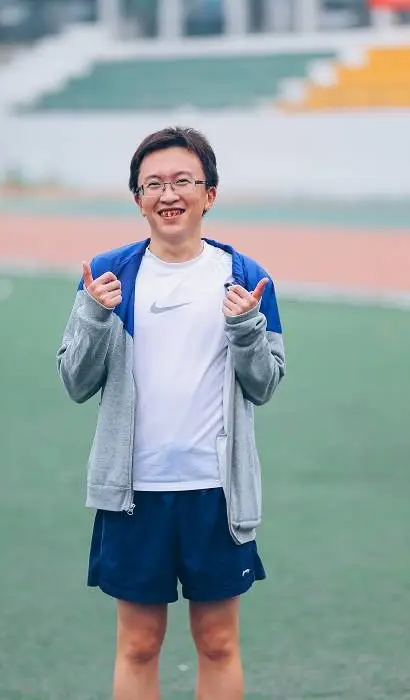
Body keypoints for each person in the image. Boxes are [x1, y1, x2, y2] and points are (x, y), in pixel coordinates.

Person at [57, 126, 286, 700]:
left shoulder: (246, 277)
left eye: (183, 180)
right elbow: (75, 382)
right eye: (153, 184)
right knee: (138, 644)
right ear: (137, 198)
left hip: (217, 491)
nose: (168, 194)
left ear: (210, 193)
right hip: (134, 490)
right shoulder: (108, 275)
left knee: (218, 642)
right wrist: (93, 315)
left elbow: (264, 386)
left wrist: (245, 328)